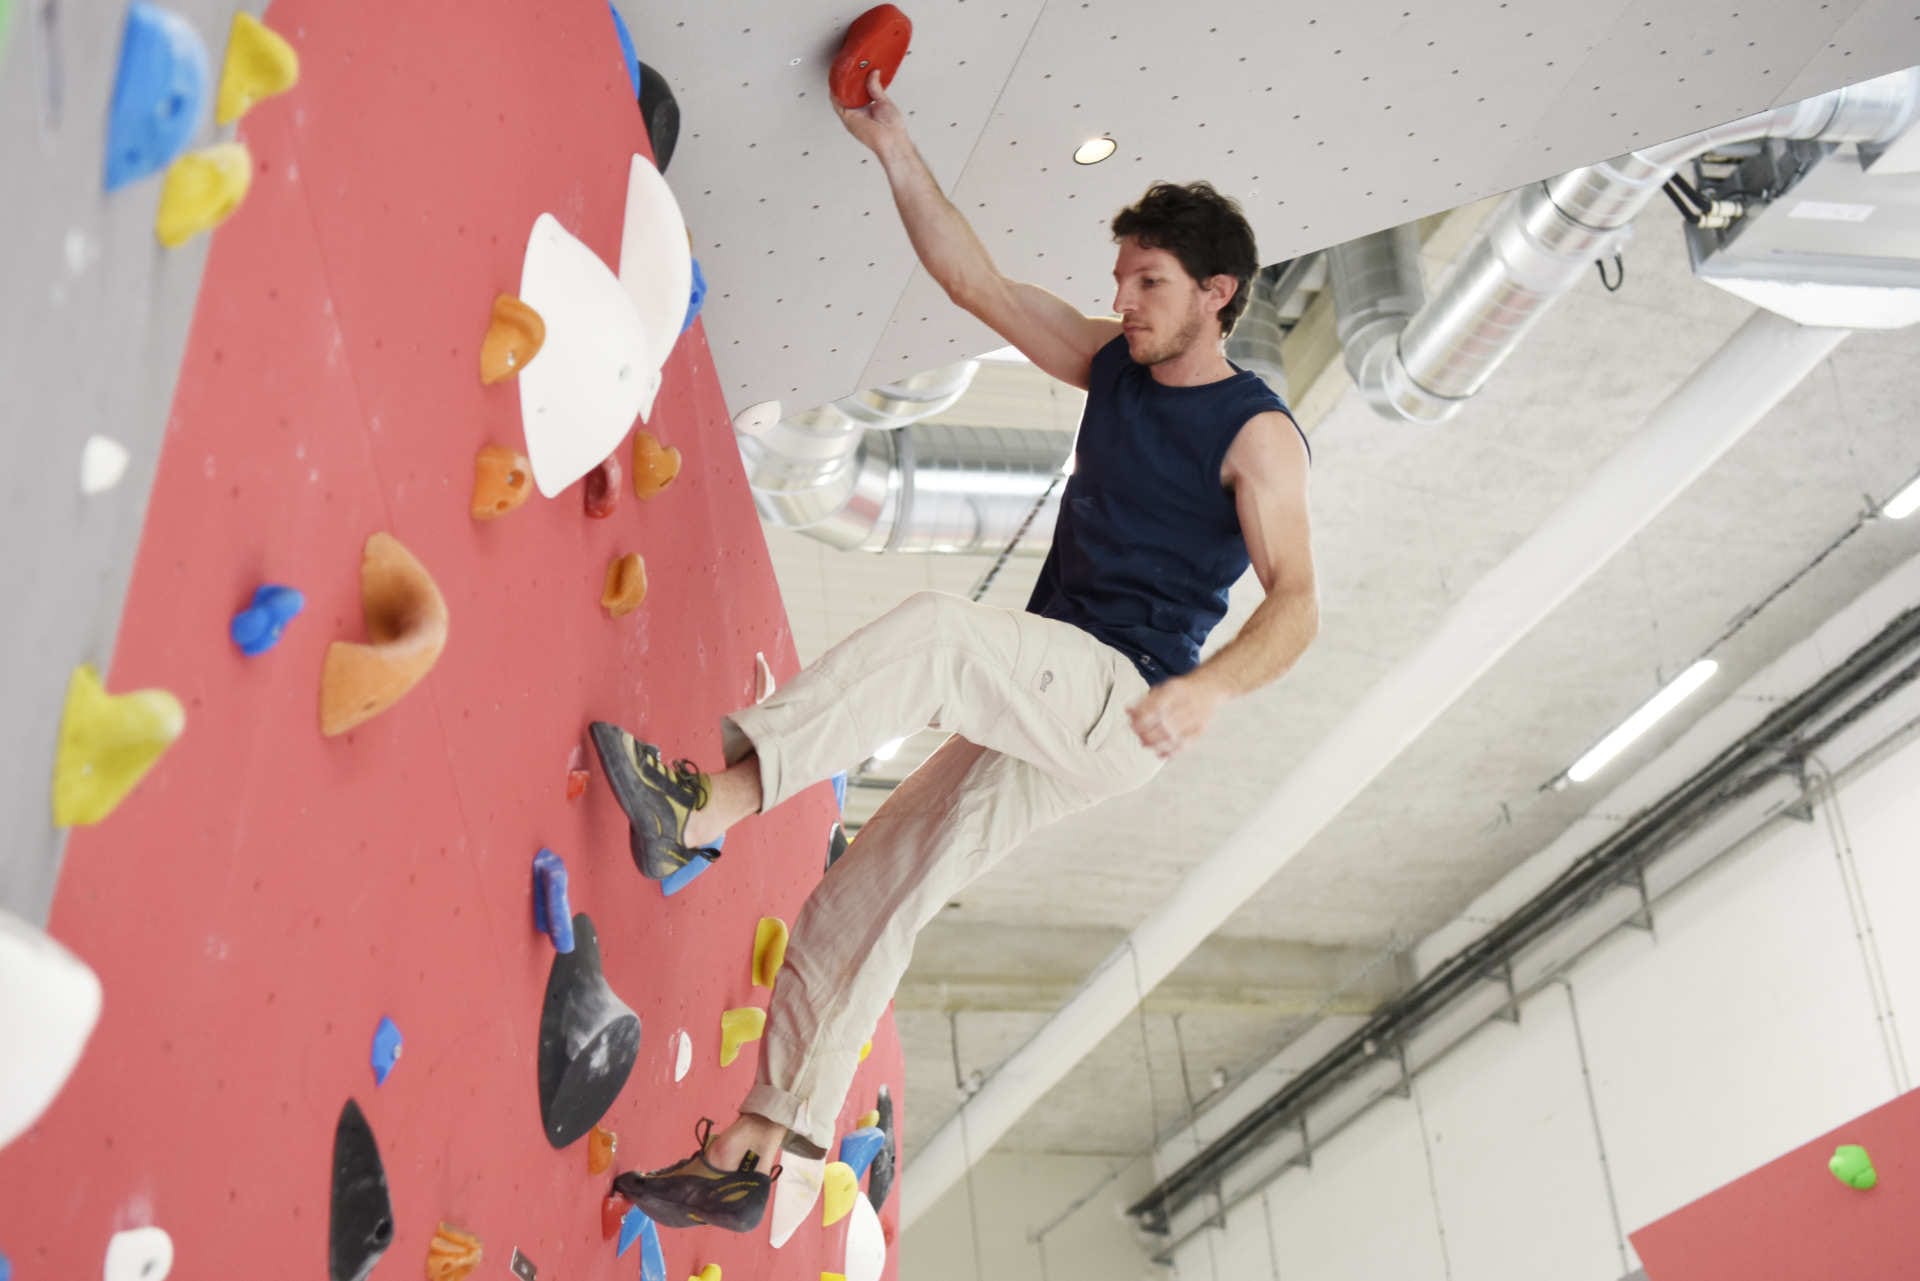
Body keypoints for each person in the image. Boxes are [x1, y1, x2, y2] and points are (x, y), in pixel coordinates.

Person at [602, 70, 1318, 1232]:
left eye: (1151, 283)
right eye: (1123, 277)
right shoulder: (1114, 366)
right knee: (868, 897)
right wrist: (890, 143)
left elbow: (1298, 606)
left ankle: (708, 804)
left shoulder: (1257, 435)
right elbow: (974, 280)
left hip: (1119, 697)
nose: (1126, 300)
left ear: (1217, 294)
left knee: (937, 635)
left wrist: (1209, 691)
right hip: (1054, 692)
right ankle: (758, 1151)